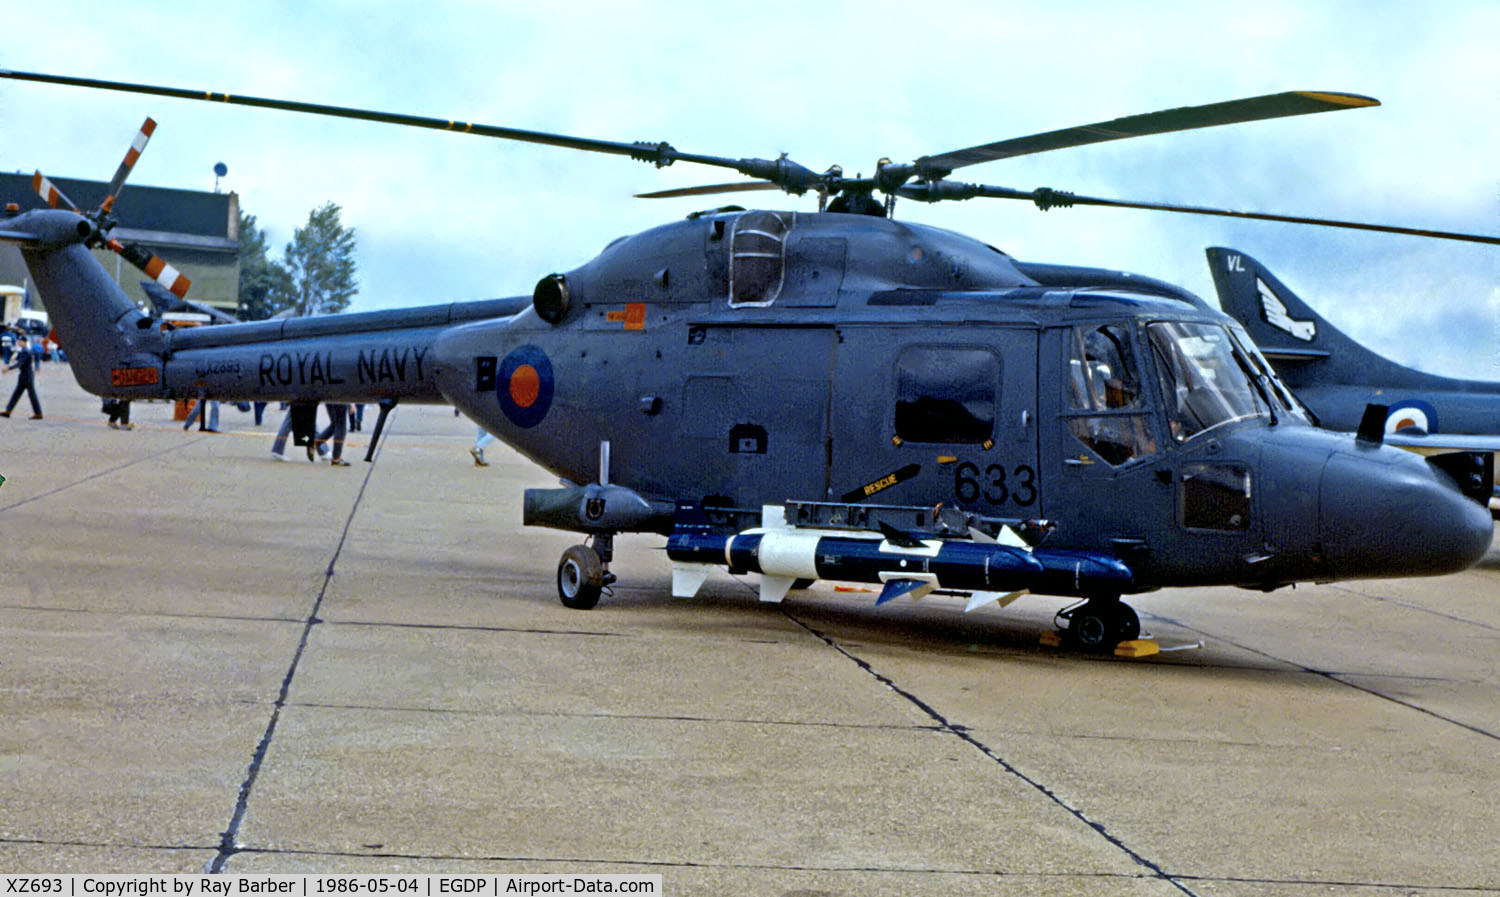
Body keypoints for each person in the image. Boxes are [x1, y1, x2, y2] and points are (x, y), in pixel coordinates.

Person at [0, 335, 43, 419]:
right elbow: (18, 360)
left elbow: (20, 364)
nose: (18, 343)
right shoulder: (23, 350)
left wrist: (8, 368)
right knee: (16, 394)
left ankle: (38, 413)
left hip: (27, 376)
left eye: (20, 341)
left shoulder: (25, 351)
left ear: (24, 342)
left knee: (32, 395)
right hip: (23, 376)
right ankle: (8, 411)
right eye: (18, 341)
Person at [313, 401, 351, 466]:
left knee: (334, 424)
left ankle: (315, 443)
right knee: (340, 425)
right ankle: (336, 458)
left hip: (329, 396)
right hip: (340, 396)